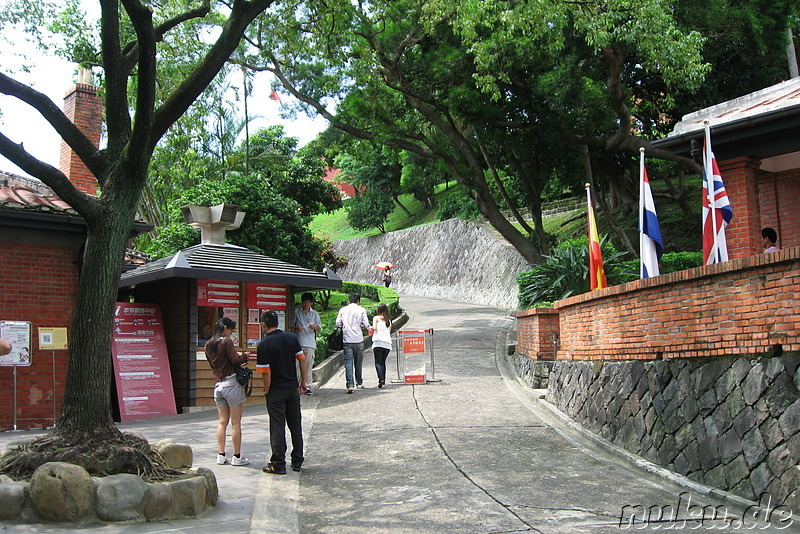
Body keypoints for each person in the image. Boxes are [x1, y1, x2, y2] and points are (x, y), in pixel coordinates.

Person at [257, 310, 307, 474]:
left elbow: (267, 373)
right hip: (292, 388)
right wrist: (303, 382)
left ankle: (278, 463)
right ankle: (297, 461)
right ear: (277, 323)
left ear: (264, 325)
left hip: (276, 391)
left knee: (277, 426)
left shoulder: (264, 345)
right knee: (295, 424)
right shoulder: (291, 338)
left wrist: (267, 391)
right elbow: (302, 360)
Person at [205, 317, 250, 466]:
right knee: (235, 423)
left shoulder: (209, 345)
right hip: (231, 384)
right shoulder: (226, 342)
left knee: (222, 422)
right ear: (225, 328)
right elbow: (235, 360)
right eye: (231, 329)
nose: (231, 333)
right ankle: (237, 457)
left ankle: (221, 455)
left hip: (218, 386)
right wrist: (244, 357)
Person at [335, 293, 370, 393]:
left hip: (347, 340)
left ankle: (350, 384)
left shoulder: (342, 310)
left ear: (349, 301)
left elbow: (337, 323)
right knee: (358, 362)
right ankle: (359, 383)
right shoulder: (361, 310)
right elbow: (366, 324)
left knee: (348, 362)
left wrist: (343, 325)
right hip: (358, 339)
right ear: (358, 301)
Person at [293, 292, 321, 395]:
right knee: (297, 366)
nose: (306, 304)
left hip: (310, 344)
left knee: (308, 365)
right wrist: (297, 328)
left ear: (311, 303)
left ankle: (307, 386)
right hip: (299, 343)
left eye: (308, 302)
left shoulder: (315, 314)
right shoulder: (297, 312)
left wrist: (314, 327)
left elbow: (319, 328)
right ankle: (298, 385)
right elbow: (292, 325)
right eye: (304, 302)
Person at [369, 304, 393, 388]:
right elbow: (389, 331)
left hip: (378, 343)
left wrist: (368, 327)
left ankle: (381, 379)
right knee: (383, 362)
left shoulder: (376, 318)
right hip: (387, 344)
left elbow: (374, 328)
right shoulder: (388, 320)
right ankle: (383, 379)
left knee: (378, 362)